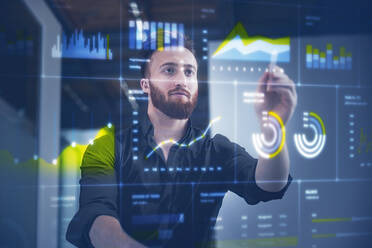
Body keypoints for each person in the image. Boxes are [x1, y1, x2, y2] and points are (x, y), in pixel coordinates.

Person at [66, 37, 297, 248]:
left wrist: (273, 126)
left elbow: (270, 184)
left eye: (189, 72)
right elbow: (96, 221)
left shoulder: (216, 150)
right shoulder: (107, 149)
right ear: (145, 84)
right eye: (169, 70)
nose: (181, 81)